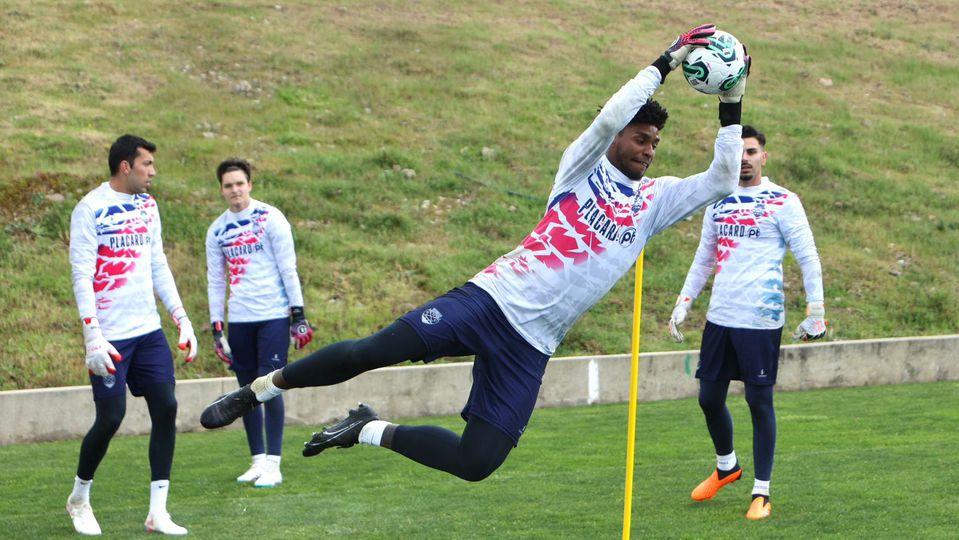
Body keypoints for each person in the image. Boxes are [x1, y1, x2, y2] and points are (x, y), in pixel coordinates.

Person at [201, 24, 749, 484]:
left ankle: (365, 428)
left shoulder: (656, 201)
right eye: (641, 138)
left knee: (477, 461)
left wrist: (731, 97)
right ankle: (260, 390)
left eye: (655, 143)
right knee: (371, 351)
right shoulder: (583, 165)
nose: (649, 150)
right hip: (491, 298)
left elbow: (724, 175)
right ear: (617, 138)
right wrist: (669, 59)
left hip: (533, 343)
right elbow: (609, 116)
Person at [667, 125, 826, 520]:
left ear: (764, 157)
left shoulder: (783, 201)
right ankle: (727, 467)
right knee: (708, 399)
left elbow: (808, 256)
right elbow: (704, 258)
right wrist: (684, 303)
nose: (745, 159)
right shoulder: (717, 201)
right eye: (738, 153)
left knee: (758, 401)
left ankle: (762, 491)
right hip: (720, 317)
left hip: (760, 318)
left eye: (751, 151)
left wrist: (816, 311)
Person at [66, 134, 198, 535]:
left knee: (166, 407)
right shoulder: (90, 208)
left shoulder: (148, 205)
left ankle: (158, 512)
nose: (153, 173)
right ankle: (79, 498)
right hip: (110, 338)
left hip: (148, 332)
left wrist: (181, 317)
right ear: (126, 166)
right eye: (147, 165)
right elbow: (82, 275)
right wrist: (92, 336)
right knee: (111, 417)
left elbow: (157, 262)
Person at [205, 158, 314, 488]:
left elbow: (288, 267)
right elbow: (215, 280)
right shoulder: (217, 230)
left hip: (273, 315)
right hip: (240, 318)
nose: (235, 190)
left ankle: (274, 463)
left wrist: (299, 315)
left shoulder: (271, 218)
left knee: (269, 386)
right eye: (228, 185)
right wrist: (216, 326)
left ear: (249, 184)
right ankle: (256, 460)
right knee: (245, 392)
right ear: (221, 190)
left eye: (240, 183)